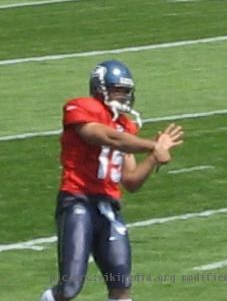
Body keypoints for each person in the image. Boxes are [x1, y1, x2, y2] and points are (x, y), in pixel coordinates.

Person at [40, 59, 183, 301]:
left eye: (126, 91)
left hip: (108, 206)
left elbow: (131, 181)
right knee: (70, 287)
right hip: (78, 200)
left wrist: (154, 156)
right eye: (118, 89)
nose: (123, 96)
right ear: (100, 88)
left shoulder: (124, 126)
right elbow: (106, 138)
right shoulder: (82, 107)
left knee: (121, 286)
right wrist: (153, 145)